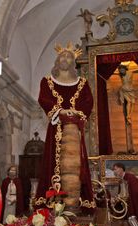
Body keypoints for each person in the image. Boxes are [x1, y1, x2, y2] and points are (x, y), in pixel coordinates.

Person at [34, 42, 95, 213]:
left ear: (73, 62)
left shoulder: (82, 83)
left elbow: (88, 102)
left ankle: (77, 201)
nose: (65, 59)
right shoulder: (47, 82)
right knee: (53, 162)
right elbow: (44, 99)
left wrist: (75, 113)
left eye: (69, 56)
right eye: (62, 56)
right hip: (56, 130)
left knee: (76, 164)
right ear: (57, 61)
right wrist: (61, 111)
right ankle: (53, 202)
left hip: (74, 131)